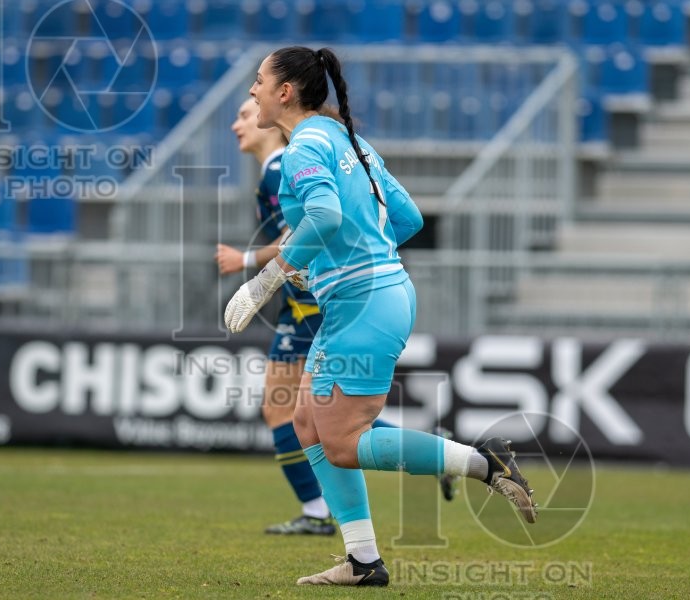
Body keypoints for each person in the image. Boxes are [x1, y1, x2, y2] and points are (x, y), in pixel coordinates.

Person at [224, 47, 537, 587]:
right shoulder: (349, 139)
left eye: (258, 82)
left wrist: (266, 280)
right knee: (307, 424)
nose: (252, 92)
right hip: (372, 296)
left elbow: (324, 214)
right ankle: (363, 561)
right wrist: (345, 257)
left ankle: (486, 464)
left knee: (344, 442)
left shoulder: (303, 148)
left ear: (285, 92)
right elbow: (409, 218)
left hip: (364, 303)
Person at [219, 98, 408, 535]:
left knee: (287, 410)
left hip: (311, 304)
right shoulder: (309, 154)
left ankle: (318, 511)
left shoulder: (285, 163)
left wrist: (251, 264)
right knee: (315, 412)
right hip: (315, 297)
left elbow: (305, 230)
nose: (237, 124)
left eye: (246, 113)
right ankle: (435, 460)